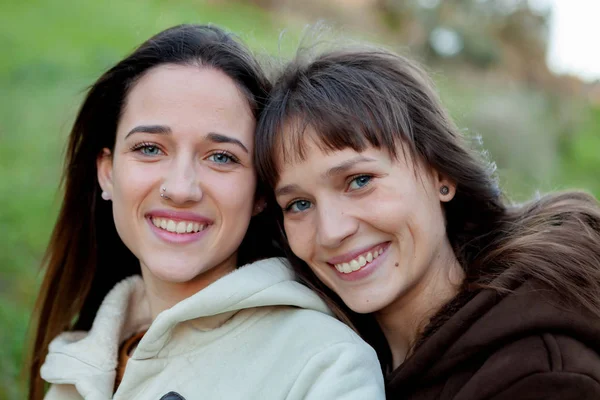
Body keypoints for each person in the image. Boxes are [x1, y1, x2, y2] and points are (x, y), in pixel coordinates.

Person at [28, 25, 385, 400]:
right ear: (107, 171)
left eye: (221, 157)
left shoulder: (324, 364)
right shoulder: (77, 362)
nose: (181, 189)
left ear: (261, 192)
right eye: (150, 148)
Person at [255, 44, 600, 399]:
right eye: (298, 204)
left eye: (360, 181)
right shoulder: (319, 359)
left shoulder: (539, 377)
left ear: (441, 175)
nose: (330, 231)